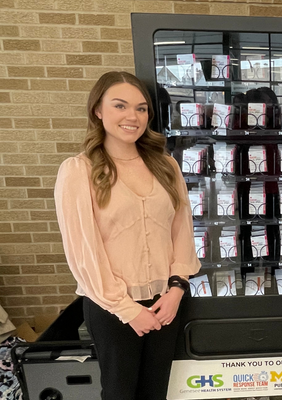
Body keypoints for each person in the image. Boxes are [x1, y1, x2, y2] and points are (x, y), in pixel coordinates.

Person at [54, 71, 201, 400]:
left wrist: (177, 289)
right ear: (98, 110)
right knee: (120, 392)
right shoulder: (79, 171)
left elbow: (182, 231)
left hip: (167, 304)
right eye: (120, 106)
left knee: (157, 391)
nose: (132, 117)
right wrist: (128, 309)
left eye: (141, 108)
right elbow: (83, 253)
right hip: (112, 309)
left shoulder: (166, 166)